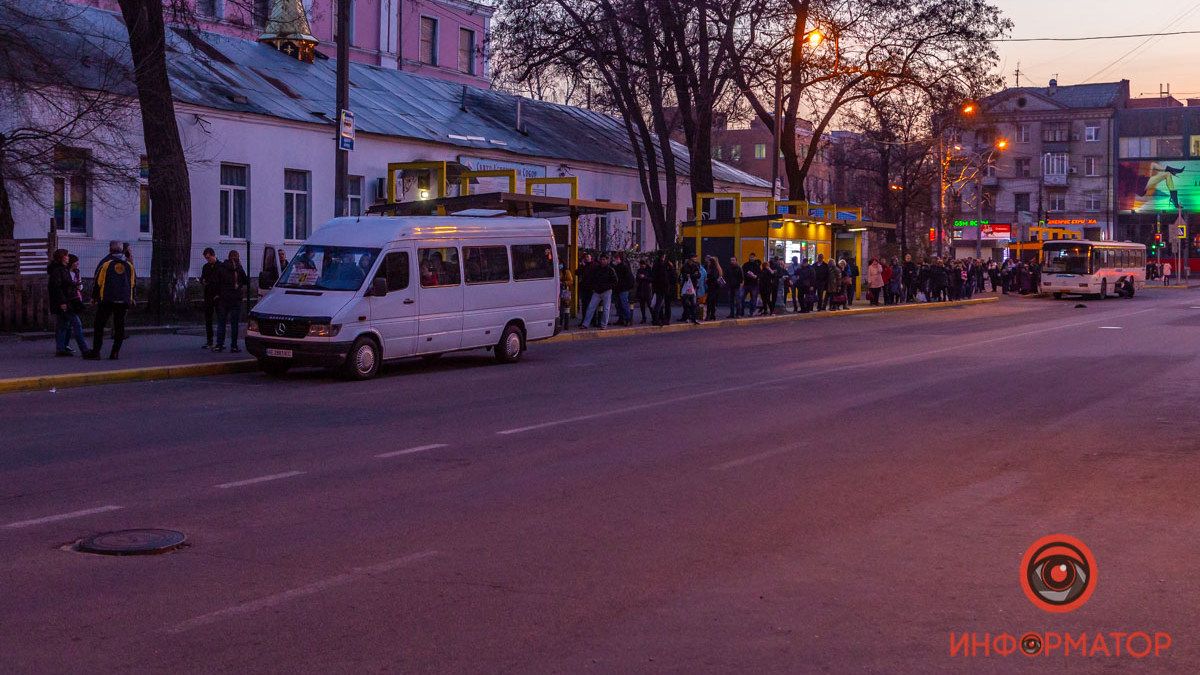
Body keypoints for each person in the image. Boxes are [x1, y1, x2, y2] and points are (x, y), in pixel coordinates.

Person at [84, 241, 134, 360]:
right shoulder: (128, 264)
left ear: (110, 249)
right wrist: (131, 298)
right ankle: (115, 352)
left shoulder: (106, 263)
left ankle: (96, 352)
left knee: (99, 324)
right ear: (122, 250)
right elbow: (132, 283)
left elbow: (98, 281)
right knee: (119, 326)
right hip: (123, 300)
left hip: (107, 299)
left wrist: (94, 297)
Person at [211, 250, 248, 352]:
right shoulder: (239, 268)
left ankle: (219, 344)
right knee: (234, 323)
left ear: (228, 257)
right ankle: (234, 346)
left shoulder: (222, 267)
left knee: (221, 322)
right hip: (236, 299)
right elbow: (246, 281)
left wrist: (217, 294)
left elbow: (216, 282)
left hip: (223, 298)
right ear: (237, 257)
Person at [48, 249, 82, 356]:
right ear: (62, 257)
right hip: (65, 302)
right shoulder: (59, 271)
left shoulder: (64, 270)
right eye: (66, 255)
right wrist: (63, 302)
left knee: (64, 325)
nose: (68, 257)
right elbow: (57, 288)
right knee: (74, 324)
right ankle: (82, 348)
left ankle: (62, 348)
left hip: (68, 300)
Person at [580, 253, 618, 329]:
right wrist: (594, 287)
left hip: (606, 291)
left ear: (607, 260)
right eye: (601, 259)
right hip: (597, 291)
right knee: (591, 307)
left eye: (604, 259)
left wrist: (608, 287)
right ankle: (585, 324)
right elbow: (592, 278)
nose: (602, 261)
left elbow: (615, 281)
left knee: (606, 308)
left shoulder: (610, 270)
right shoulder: (596, 269)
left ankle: (603, 325)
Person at [200, 247, 220, 349]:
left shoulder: (220, 266)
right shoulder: (206, 267)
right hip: (208, 295)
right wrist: (202, 281)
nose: (208, 260)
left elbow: (222, 281)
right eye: (206, 258)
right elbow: (202, 278)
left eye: (208, 257)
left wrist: (219, 293)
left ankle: (220, 341)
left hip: (217, 296)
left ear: (213, 255)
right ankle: (209, 340)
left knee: (220, 319)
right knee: (208, 319)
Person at [613, 253, 635, 326]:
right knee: (620, 304)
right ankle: (623, 319)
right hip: (620, 288)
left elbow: (627, 278)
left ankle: (627, 319)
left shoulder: (623, 267)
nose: (615, 260)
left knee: (623, 304)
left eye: (617, 258)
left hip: (622, 289)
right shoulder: (620, 267)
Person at [651, 252, 673, 325]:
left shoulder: (656, 265)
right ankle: (656, 320)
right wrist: (671, 267)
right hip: (662, 288)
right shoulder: (662, 266)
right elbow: (664, 278)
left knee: (659, 304)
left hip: (658, 287)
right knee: (659, 304)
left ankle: (658, 319)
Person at [679, 255, 700, 324]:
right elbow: (683, 275)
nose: (694, 261)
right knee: (686, 303)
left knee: (693, 303)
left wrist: (691, 275)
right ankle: (687, 317)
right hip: (686, 287)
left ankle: (693, 318)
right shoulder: (685, 266)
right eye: (693, 260)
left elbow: (698, 275)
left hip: (693, 286)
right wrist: (692, 275)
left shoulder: (695, 266)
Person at [704, 256, 724, 321]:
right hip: (714, 287)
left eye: (709, 261)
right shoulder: (717, 268)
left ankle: (708, 315)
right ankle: (712, 315)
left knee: (709, 301)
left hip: (713, 287)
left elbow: (714, 278)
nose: (708, 262)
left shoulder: (713, 269)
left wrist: (707, 280)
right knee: (713, 302)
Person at [635, 259, 654, 324]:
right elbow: (637, 279)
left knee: (650, 305)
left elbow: (651, 279)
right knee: (642, 305)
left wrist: (644, 277)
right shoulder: (639, 270)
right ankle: (643, 318)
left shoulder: (649, 270)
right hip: (641, 290)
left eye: (642, 265)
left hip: (647, 289)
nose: (641, 266)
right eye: (640, 265)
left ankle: (653, 317)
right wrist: (639, 277)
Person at [559, 263, 575, 330]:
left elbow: (571, 281)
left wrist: (563, 283)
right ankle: (560, 323)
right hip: (558, 291)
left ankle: (566, 325)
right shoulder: (556, 270)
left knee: (566, 308)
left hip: (565, 291)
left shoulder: (566, 271)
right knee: (561, 309)